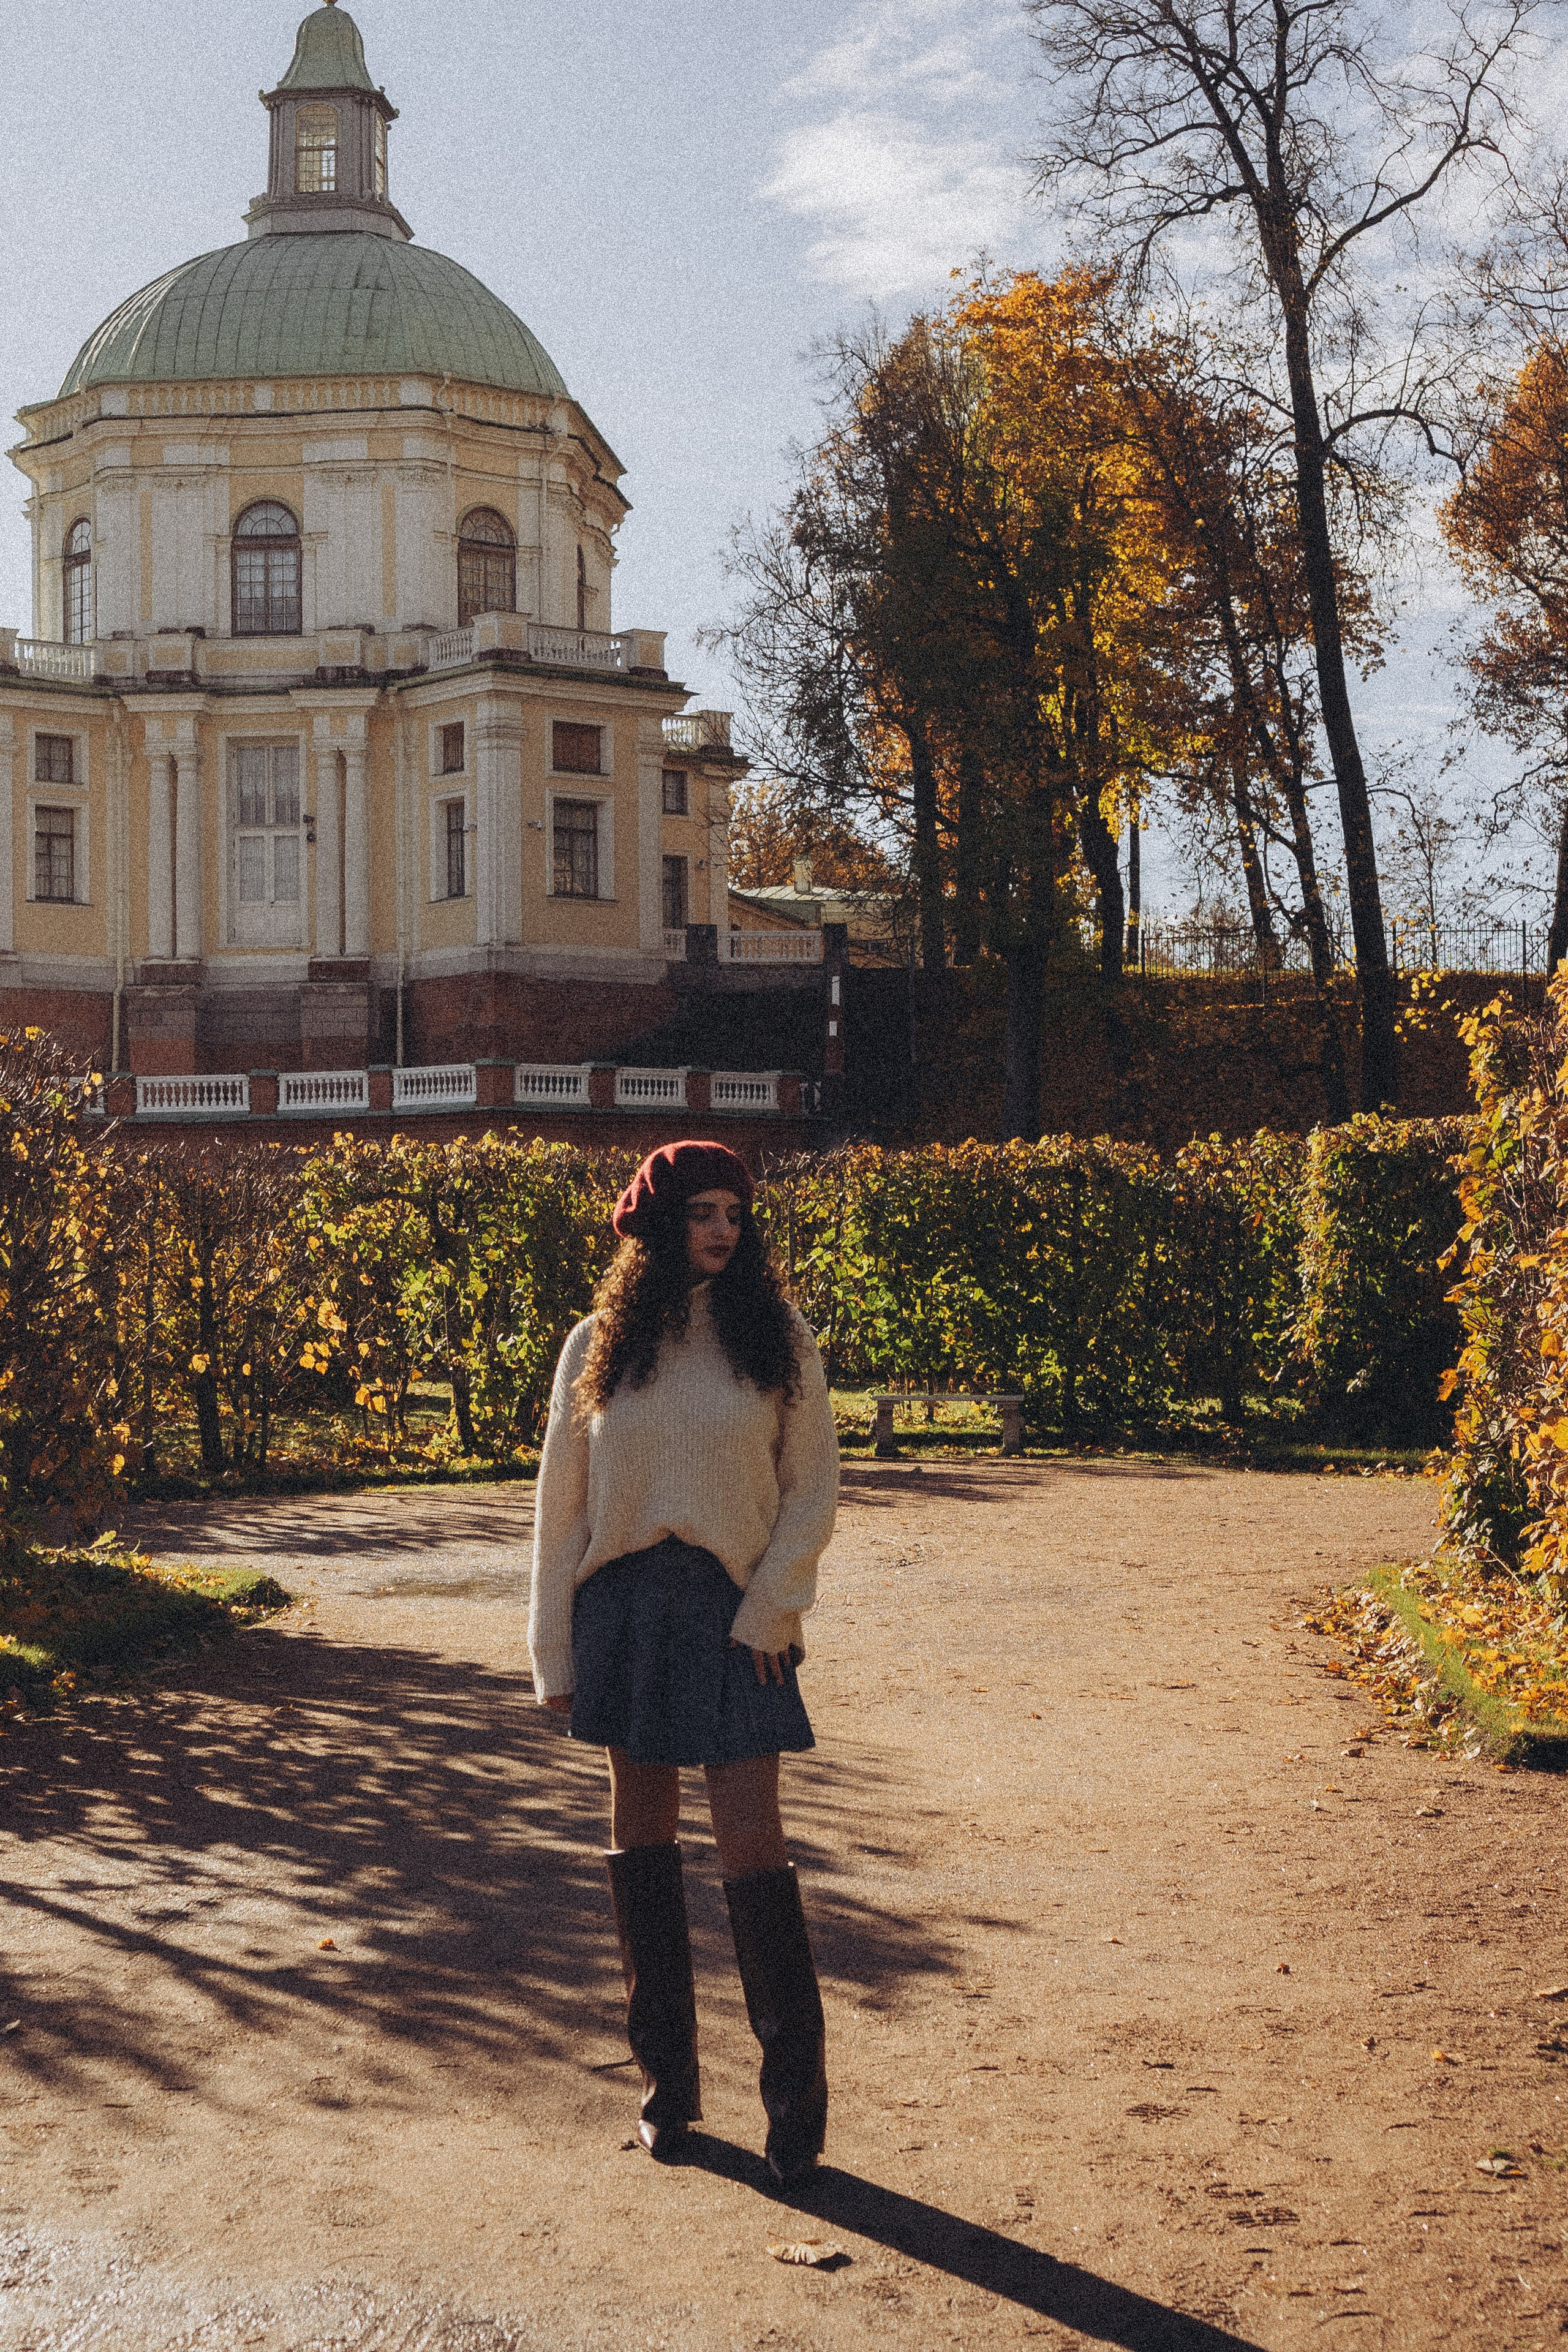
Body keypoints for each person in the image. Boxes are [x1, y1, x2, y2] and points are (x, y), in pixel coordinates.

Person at [529, 1139, 840, 2180]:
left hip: (737, 1619)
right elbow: (560, 1512)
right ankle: (667, 2087)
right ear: (656, 1225)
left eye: (732, 1214)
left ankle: (793, 2103)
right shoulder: (598, 1347)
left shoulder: (778, 1339)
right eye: (700, 1212)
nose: (719, 1229)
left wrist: (770, 1611)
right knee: (642, 1847)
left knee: (755, 1846)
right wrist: (553, 1651)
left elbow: (812, 1493)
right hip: (624, 1611)